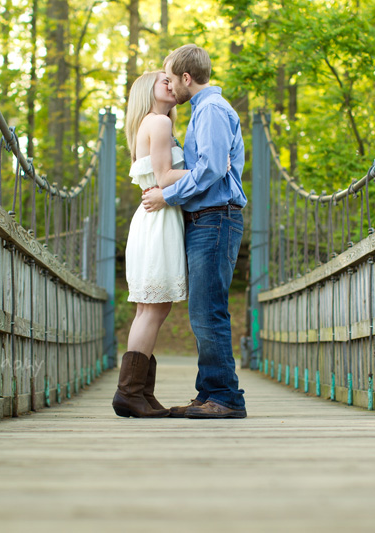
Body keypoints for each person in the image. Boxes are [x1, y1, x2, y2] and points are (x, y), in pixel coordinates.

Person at [141, 44, 248, 419]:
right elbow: (217, 166)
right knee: (204, 310)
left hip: (216, 218)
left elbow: (212, 169)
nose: (169, 84)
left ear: (187, 78)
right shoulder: (204, 111)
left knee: (208, 310)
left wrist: (168, 195)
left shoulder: (212, 110)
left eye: (171, 78)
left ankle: (225, 398)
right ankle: (211, 393)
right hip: (208, 218)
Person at [112, 71, 191, 418]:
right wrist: (213, 169)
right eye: (163, 81)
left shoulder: (152, 123)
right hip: (158, 220)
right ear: (148, 90)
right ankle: (129, 393)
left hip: (154, 218)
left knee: (151, 308)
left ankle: (140, 393)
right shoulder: (158, 122)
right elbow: (164, 178)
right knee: (154, 307)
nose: (171, 84)